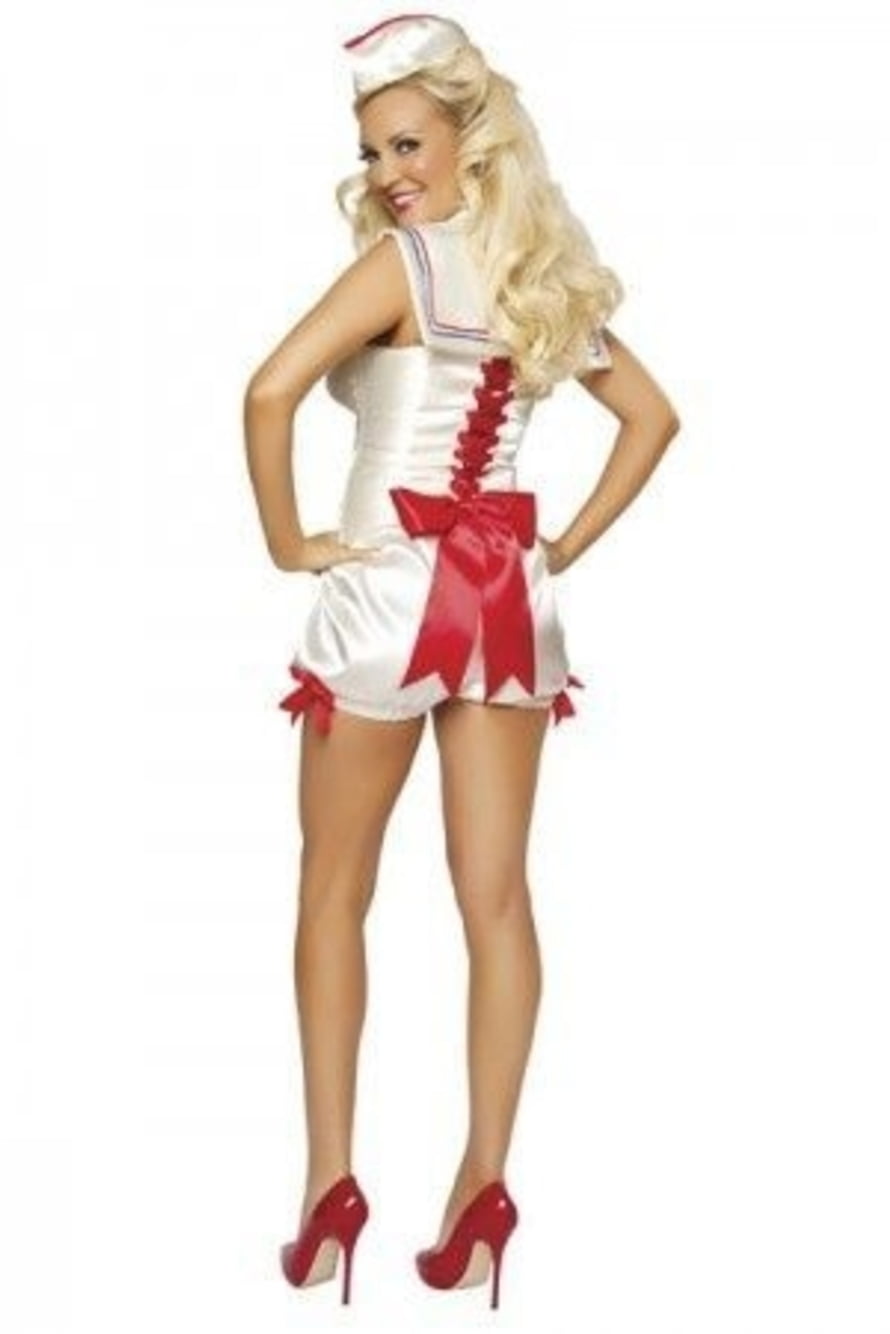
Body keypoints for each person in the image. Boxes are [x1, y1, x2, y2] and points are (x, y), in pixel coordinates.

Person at [243, 11, 680, 1311]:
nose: (389, 173)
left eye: (407, 144)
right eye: (374, 153)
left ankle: (330, 1186)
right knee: (496, 901)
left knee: (334, 890)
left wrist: (288, 543)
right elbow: (652, 418)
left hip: (388, 596)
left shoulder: (405, 265)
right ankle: (483, 1185)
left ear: (467, 141)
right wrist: (562, 549)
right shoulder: (540, 275)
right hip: (505, 603)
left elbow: (268, 391)